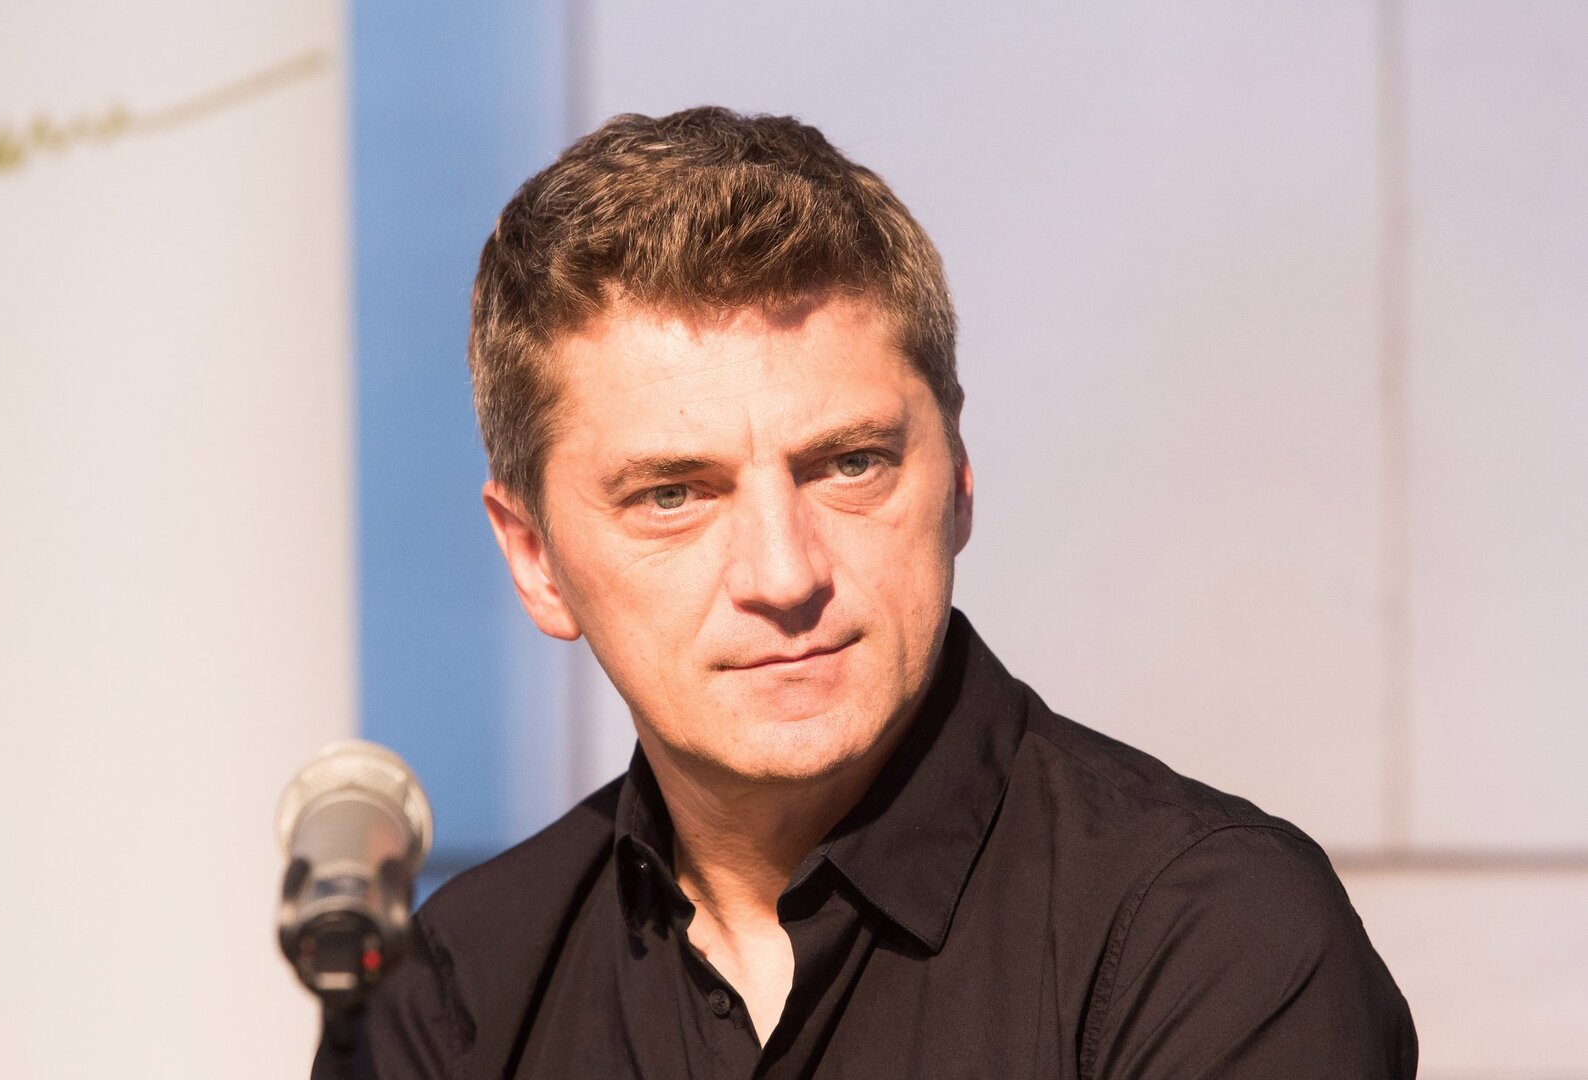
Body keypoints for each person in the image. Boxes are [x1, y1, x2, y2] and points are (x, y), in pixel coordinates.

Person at [321, 106, 1417, 1078]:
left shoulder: (1212, 935)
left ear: (961, 477)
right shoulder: (456, 997)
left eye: (850, 464)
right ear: (535, 560)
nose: (784, 574)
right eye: (672, 495)